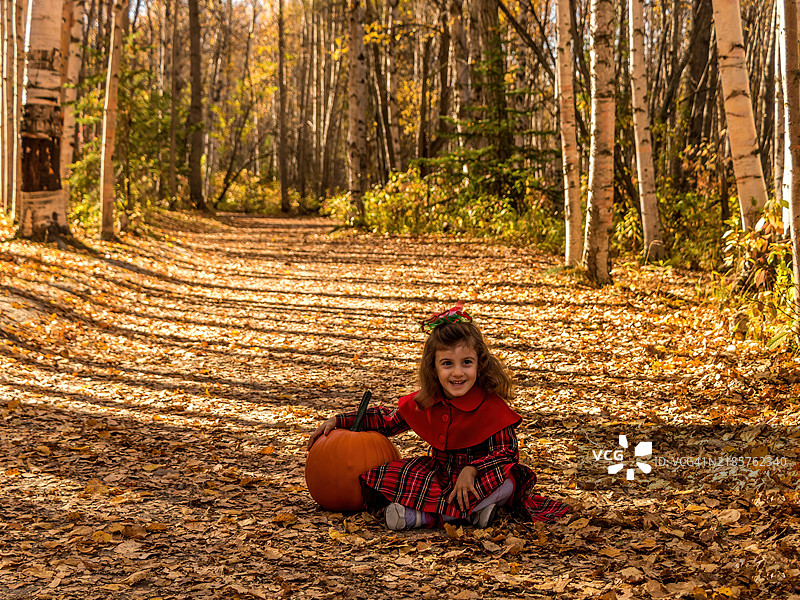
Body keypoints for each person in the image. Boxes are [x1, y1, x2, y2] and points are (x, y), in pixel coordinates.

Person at [307, 302, 569, 530]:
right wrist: (341, 421)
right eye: (447, 364)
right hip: (440, 476)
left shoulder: (491, 406)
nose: (457, 373)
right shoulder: (428, 400)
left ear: (480, 364)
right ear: (433, 368)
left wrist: (472, 469)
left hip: (480, 479)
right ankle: (470, 515)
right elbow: (388, 420)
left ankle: (422, 518)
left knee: (510, 480)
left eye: (466, 362)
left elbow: (506, 454)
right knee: (383, 475)